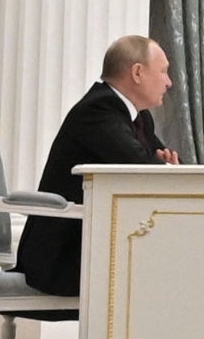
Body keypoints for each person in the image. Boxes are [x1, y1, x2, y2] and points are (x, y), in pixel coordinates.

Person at [13, 36, 180, 298]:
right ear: (137, 72)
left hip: (99, 245)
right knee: (168, 279)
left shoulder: (139, 116)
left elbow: (157, 163)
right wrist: (160, 165)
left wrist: (163, 164)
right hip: (63, 255)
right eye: (163, 71)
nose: (169, 82)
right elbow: (141, 168)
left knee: (171, 269)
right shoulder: (99, 109)